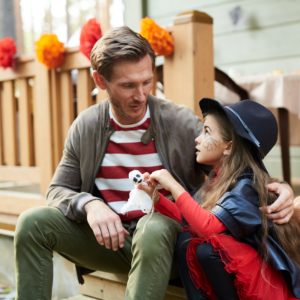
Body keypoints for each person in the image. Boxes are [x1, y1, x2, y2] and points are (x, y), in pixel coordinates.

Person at [14, 26, 295, 300]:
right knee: (32, 223)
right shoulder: (86, 127)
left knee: (155, 227)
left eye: (146, 81)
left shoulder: (178, 122)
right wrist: (90, 205)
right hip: (109, 242)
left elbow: (232, 157)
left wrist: (277, 186)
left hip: (165, 245)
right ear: (100, 81)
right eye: (128, 85)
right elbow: (57, 190)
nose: (141, 94)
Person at [140, 99, 300, 299]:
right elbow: (190, 220)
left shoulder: (246, 185)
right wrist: (156, 198)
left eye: (206, 131)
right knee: (186, 240)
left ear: (228, 147)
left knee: (205, 249)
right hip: (234, 272)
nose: (197, 139)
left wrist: (173, 184)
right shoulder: (219, 179)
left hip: (258, 279)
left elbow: (208, 227)